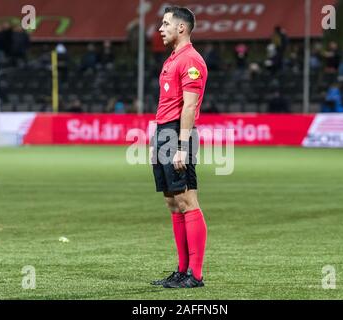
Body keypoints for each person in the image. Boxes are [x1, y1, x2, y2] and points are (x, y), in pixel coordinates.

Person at [150, 6, 208, 289]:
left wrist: (182, 146)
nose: (160, 28)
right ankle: (182, 270)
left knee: (187, 201)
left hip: (177, 133)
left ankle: (194, 275)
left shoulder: (191, 60)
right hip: (163, 131)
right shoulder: (174, 58)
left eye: (165, 24)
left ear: (181, 28)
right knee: (173, 203)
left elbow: (189, 106)